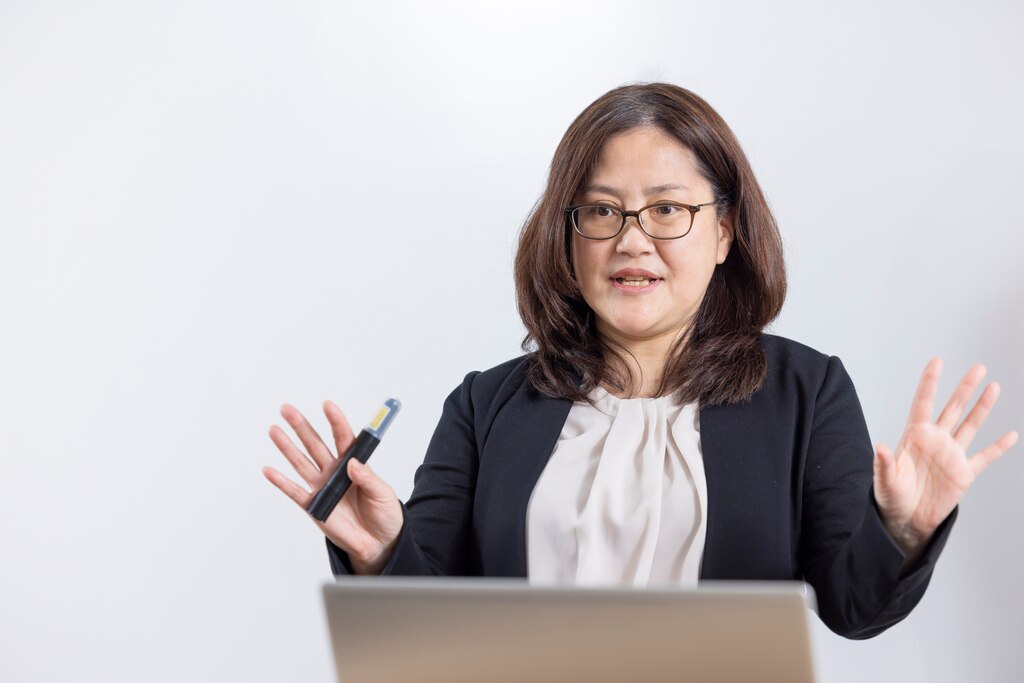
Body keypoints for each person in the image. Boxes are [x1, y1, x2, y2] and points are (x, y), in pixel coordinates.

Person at [262, 83, 1018, 639]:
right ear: (568, 236)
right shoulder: (485, 406)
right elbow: (427, 627)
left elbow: (855, 608)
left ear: (724, 233)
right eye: (601, 210)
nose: (631, 240)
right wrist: (383, 551)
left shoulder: (807, 392)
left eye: (667, 209)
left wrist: (901, 529)